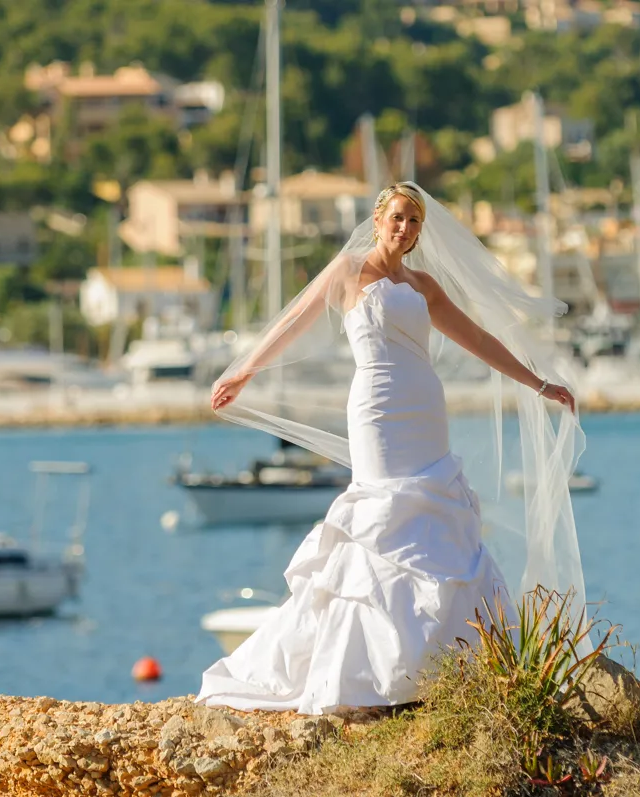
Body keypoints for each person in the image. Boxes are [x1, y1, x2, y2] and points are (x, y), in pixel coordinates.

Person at [197, 182, 586, 715]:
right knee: (383, 518)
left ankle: (439, 666)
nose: (405, 229)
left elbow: (478, 339)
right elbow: (294, 320)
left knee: (437, 517)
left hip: (425, 407)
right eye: (398, 218)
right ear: (378, 219)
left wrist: (538, 382)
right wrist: (244, 371)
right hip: (377, 409)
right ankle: (365, 673)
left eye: (414, 223)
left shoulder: (423, 286)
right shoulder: (348, 272)